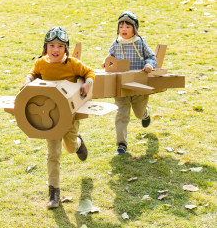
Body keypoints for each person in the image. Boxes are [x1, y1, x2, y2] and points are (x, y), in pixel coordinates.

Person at [24, 27, 95, 209]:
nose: (55, 50)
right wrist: (29, 79)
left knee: (70, 148)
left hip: (69, 114)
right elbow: (33, 72)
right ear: (45, 47)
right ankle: (53, 192)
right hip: (50, 117)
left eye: (59, 46)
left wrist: (88, 84)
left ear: (66, 49)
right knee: (53, 154)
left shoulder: (72, 64)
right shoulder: (41, 63)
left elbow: (89, 73)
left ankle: (78, 143)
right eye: (51, 46)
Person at [102, 11, 157, 156]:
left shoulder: (140, 43)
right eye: (121, 27)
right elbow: (110, 56)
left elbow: (152, 57)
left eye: (127, 26)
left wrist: (149, 65)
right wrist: (106, 61)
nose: (124, 29)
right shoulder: (116, 43)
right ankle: (121, 144)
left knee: (138, 112)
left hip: (138, 85)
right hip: (120, 85)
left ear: (135, 29)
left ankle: (145, 113)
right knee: (122, 114)